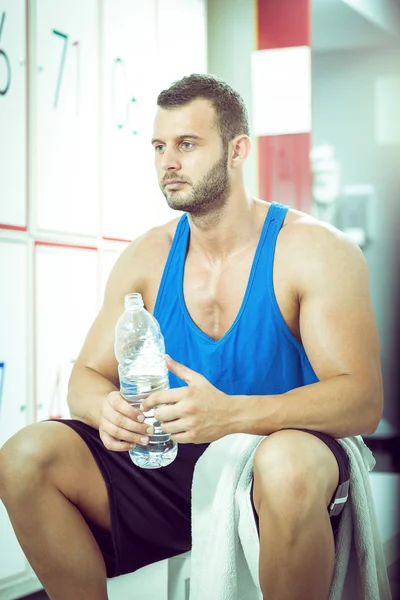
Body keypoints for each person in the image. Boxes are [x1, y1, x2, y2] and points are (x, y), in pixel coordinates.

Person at [0, 74, 383, 600]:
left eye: (187, 144)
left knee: (286, 465)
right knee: (26, 456)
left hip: (279, 456)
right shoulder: (147, 256)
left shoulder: (314, 250)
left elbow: (361, 399)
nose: (168, 162)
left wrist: (234, 415)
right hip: (173, 464)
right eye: (159, 146)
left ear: (237, 150)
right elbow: (86, 378)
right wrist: (105, 408)